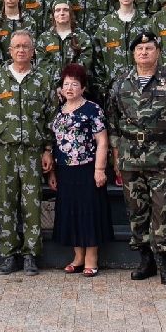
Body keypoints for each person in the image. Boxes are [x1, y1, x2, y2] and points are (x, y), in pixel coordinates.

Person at [107, 29, 166, 285]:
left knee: (163, 210)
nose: (144, 52)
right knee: (136, 210)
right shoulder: (121, 80)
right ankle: (145, 258)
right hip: (130, 155)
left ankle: (165, 262)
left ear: (158, 52)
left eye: (149, 49)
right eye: (139, 49)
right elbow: (113, 122)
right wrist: (116, 155)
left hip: (164, 155)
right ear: (133, 53)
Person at [0, 30, 56, 276]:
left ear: (33, 50)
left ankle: (30, 255)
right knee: (5, 202)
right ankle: (8, 254)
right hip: (4, 150)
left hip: (33, 151)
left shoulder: (43, 78)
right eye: (17, 46)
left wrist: (48, 149)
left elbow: (51, 117)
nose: (21, 50)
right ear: (10, 50)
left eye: (26, 46)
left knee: (32, 203)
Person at [48, 63, 112, 275]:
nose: (70, 88)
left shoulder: (92, 109)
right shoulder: (59, 111)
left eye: (74, 84)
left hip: (88, 168)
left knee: (89, 212)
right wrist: (53, 172)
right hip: (65, 169)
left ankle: (92, 258)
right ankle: (78, 256)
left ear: (83, 87)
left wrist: (100, 169)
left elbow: (102, 141)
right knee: (71, 212)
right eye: (66, 84)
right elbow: (55, 142)